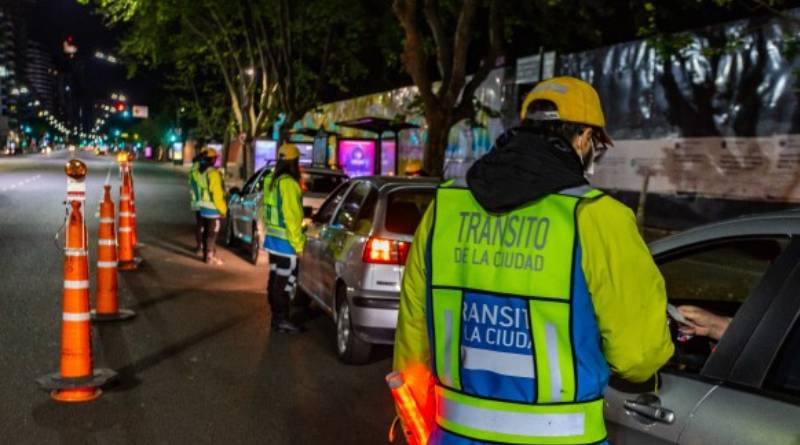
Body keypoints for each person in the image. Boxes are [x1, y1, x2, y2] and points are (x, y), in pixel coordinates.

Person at [392, 76, 675, 445]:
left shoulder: (444, 209)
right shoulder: (598, 218)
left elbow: (413, 337)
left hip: (454, 436)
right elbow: (638, 356)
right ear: (584, 137)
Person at [262, 144, 306, 334]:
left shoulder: (271, 180)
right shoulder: (288, 183)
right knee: (284, 284)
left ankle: (276, 318)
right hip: (286, 244)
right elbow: (292, 217)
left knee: (274, 281)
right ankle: (281, 320)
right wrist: (298, 245)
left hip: (273, 240)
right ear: (293, 162)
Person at [196, 148, 227, 265]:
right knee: (212, 233)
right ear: (212, 159)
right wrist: (223, 209)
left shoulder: (201, 173)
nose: (216, 160)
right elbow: (217, 194)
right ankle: (210, 256)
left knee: (206, 232)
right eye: (215, 158)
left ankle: (206, 255)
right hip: (212, 209)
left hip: (203, 208)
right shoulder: (213, 174)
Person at [189, 146, 207, 256]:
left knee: (199, 224)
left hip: (196, 200)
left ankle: (199, 246)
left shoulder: (193, 168)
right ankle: (204, 248)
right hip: (205, 200)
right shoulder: (203, 168)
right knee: (206, 225)